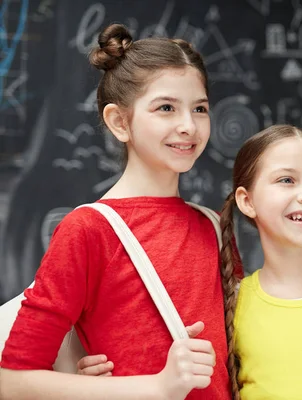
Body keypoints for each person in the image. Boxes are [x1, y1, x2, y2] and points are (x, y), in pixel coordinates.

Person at [76, 125, 302, 400]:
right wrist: (101, 386)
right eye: (287, 179)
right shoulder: (231, 304)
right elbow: (182, 378)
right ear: (247, 201)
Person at [0, 23, 242, 400]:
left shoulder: (212, 226)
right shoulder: (88, 230)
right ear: (119, 122)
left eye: (200, 108)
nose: (188, 125)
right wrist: (157, 386)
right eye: (166, 108)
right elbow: (11, 381)